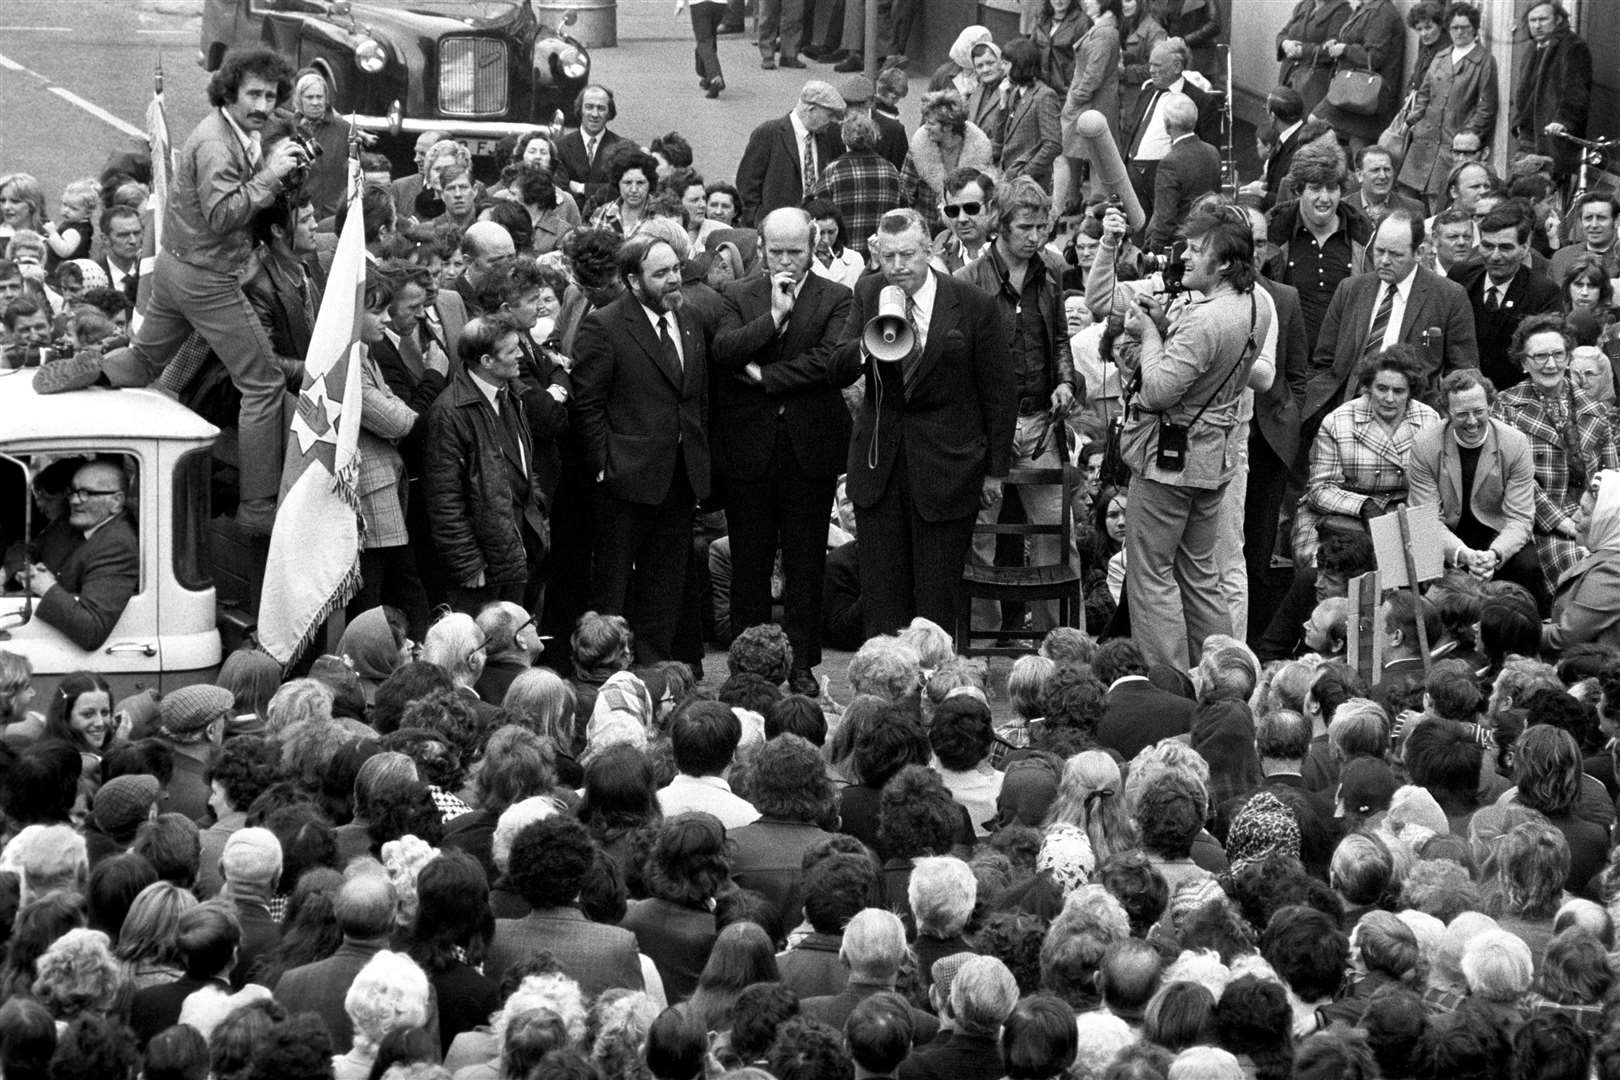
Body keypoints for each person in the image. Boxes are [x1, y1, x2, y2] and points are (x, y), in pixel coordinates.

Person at [104, 47, 306, 534]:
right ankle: (258, 511)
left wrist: (283, 158)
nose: (262, 104)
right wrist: (273, 177)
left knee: (141, 362)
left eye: (271, 94)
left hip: (177, 270)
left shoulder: (235, 129)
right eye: (253, 94)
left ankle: (90, 368)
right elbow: (223, 214)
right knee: (262, 384)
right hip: (208, 279)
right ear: (228, 93)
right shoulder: (217, 143)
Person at [826, 208, 1016, 637]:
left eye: (908, 255)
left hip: (948, 469)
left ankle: (935, 684)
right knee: (883, 599)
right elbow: (835, 369)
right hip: (881, 468)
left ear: (928, 249)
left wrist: (995, 473)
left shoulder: (971, 304)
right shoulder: (868, 291)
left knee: (936, 601)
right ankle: (887, 693)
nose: (897, 267)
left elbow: (999, 395)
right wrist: (869, 342)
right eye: (888, 256)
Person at [1102, 201, 1274, 670]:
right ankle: (1224, 676)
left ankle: (1170, 684)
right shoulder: (1256, 303)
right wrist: (1165, 325)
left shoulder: (1204, 318)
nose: (1185, 258)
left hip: (1170, 464)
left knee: (1150, 573)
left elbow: (1157, 391)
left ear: (1224, 265)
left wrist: (1150, 335)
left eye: (1197, 250)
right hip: (1214, 459)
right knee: (1200, 573)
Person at [710, 209, 853, 695]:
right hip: (748, 452)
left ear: (813, 243)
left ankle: (801, 664)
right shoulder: (736, 294)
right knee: (748, 564)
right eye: (777, 252)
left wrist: (766, 376)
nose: (787, 260)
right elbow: (726, 352)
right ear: (761, 248)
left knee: (806, 563)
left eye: (796, 250)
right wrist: (774, 317)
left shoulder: (837, 296)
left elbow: (830, 363)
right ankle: (748, 667)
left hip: (808, 451)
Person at [572, 234, 710, 667]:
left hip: (679, 478)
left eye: (676, 270)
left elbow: (694, 397)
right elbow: (588, 404)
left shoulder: (689, 320)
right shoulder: (606, 325)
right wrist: (603, 467)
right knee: (612, 587)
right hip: (625, 481)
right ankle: (602, 672)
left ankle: (653, 670)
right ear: (633, 281)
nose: (674, 280)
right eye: (661, 273)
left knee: (665, 585)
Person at [956, 177, 1077, 635]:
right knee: (979, 543)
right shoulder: (968, 282)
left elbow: (1060, 338)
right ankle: (980, 646)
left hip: (1041, 421)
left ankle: (1061, 641)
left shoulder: (1049, 272)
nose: (1035, 236)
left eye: (1041, 227)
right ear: (1000, 226)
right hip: (988, 429)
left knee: (1057, 540)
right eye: (1025, 227)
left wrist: (1065, 382)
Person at [422, 314, 550, 615]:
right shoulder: (450, 413)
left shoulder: (512, 396)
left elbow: (522, 464)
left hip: (518, 552)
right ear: (486, 361)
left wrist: (539, 517)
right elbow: (444, 499)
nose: (521, 355)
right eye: (510, 351)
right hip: (481, 569)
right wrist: (467, 564)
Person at [1300, 212, 1476, 426]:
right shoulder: (1350, 289)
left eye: (1395, 255)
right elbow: (1324, 362)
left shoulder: (1448, 296)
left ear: (1419, 252)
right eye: (1379, 250)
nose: (1384, 261)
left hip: (1413, 416)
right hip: (1347, 410)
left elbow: (1462, 371)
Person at [1494, 315, 1618, 592]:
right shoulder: (1506, 408)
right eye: (1539, 356)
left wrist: (1596, 522)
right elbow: (1517, 481)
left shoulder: (1594, 408)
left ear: (1567, 358)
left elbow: (1612, 477)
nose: (1550, 364)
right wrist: (1564, 523)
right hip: (1542, 524)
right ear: (1524, 362)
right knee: (1583, 565)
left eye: (1557, 354)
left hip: (1593, 519)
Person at [1293, 346, 1440, 573]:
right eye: (1382, 388)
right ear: (1368, 387)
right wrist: (1363, 506)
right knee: (1322, 573)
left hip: (1403, 514)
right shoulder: (1339, 421)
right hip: (1335, 516)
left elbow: (1435, 485)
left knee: (1420, 574)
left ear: (1410, 391)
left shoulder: (1428, 419)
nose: (1389, 398)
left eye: (1399, 391)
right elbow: (1319, 490)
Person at [1408, 370, 1543, 601]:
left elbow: (1520, 518)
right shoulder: (1425, 444)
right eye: (1461, 414)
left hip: (1496, 534)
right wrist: (1462, 554)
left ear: (1490, 405)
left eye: (1479, 412)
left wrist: (1495, 554)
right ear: (1447, 411)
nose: (1471, 422)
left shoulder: (1515, 443)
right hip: (1447, 536)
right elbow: (1425, 520)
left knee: (1529, 565)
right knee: (1417, 560)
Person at [22, 457, 139, 651]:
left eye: (85, 494)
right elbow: (32, 549)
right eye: (73, 492)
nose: (74, 501)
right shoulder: (78, 522)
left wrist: (47, 587)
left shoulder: (118, 545)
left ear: (116, 501)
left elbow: (92, 628)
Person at [1396, 2, 1498, 212]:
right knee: (1408, 199)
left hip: (1453, 144)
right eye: (1454, 27)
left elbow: (1486, 107)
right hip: (1423, 142)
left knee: (1441, 200)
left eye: (1465, 27)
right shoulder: (1441, 56)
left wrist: (1467, 136)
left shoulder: (1484, 61)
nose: (1459, 32)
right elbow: (1424, 93)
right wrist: (1413, 122)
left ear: (1475, 29)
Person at [1449, 204, 1561, 392]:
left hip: (1516, 397)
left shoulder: (1543, 293)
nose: (1495, 256)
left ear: (1525, 248)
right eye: (1487, 246)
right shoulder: (1460, 277)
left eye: (1505, 248)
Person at [1124, 39, 1219, 218]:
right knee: (1136, 232)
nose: (1151, 70)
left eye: (1157, 65)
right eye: (1149, 64)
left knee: (1162, 231)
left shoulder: (1201, 101)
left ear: (1176, 66)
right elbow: (1132, 132)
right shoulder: (1147, 93)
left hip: (1167, 176)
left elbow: (1209, 152)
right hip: (1133, 174)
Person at [737, 81, 847, 228]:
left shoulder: (829, 135)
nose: (833, 121)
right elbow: (747, 184)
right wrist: (757, 220)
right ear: (811, 109)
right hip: (776, 226)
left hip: (817, 227)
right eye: (830, 115)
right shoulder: (769, 133)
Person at [1509, 1, 1591, 185]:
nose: (1537, 25)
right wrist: (1518, 123)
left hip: (1552, 139)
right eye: (1532, 20)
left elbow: (1576, 92)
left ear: (1558, 20)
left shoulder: (1573, 47)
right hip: (1527, 136)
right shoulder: (1532, 48)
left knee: (1545, 192)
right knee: (1521, 189)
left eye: (1543, 19)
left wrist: (1563, 121)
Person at [1308, 0, 1405, 156]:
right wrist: (1338, 44)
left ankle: (1346, 174)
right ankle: (1338, 170)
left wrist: (1345, 49)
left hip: (1368, 96)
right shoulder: (1366, 7)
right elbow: (1357, 40)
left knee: (1359, 150)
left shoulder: (1382, 12)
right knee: (1316, 122)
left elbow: (1374, 57)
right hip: (1354, 90)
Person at [1055, 0, 1121, 216]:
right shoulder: (1101, 28)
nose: (1085, 2)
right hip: (1091, 103)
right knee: (1085, 153)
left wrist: (1074, 98)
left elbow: (1093, 75)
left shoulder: (1104, 32)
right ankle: (1079, 201)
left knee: (1096, 156)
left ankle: (1095, 209)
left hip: (1092, 104)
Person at [1543, 468, 1620, 650]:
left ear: (1607, 521)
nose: (1574, 517)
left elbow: (1567, 635)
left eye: (1584, 512)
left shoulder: (1613, 571)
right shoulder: (1605, 556)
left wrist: (1509, 629)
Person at [1143, 94, 1221, 252]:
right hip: (1209, 237)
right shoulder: (1213, 152)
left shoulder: (1169, 163)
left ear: (1167, 125)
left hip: (1180, 244)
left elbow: (1165, 218)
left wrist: (1153, 249)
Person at [903, 92, 996, 224]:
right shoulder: (918, 148)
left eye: (931, 123)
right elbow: (905, 193)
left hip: (966, 224)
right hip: (929, 226)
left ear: (948, 126)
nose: (926, 128)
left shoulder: (980, 149)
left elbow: (987, 195)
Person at [997, 37, 1064, 195]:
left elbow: (1053, 144)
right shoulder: (1014, 92)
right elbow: (1001, 137)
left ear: (1019, 65)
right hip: (1009, 178)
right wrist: (1003, 104)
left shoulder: (1045, 96)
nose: (1001, 68)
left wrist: (1025, 174)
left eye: (1005, 64)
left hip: (1030, 186)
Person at [554, 86, 629, 215]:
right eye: (589, 107)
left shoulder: (623, 147)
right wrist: (601, 188)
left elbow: (621, 189)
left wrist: (580, 187)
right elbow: (561, 191)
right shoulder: (560, 146)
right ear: (580, 109)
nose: (595, 114)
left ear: (609, 112)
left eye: (601, 108)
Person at [1277, 0, 1351, 115]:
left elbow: (1332, 49)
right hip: (1288, 77)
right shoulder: (1304, 5)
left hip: (1312, 83)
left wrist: (1302, 51)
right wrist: (1285, 44)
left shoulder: (1342, 10)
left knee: (1303, 124)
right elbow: (1283, 33)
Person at [1550, 193, 1620, 283]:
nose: (1594, 225)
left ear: (1617, 221)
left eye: (1601, 218)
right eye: (1588, 218)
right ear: (1580, 222)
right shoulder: (1561, 258)